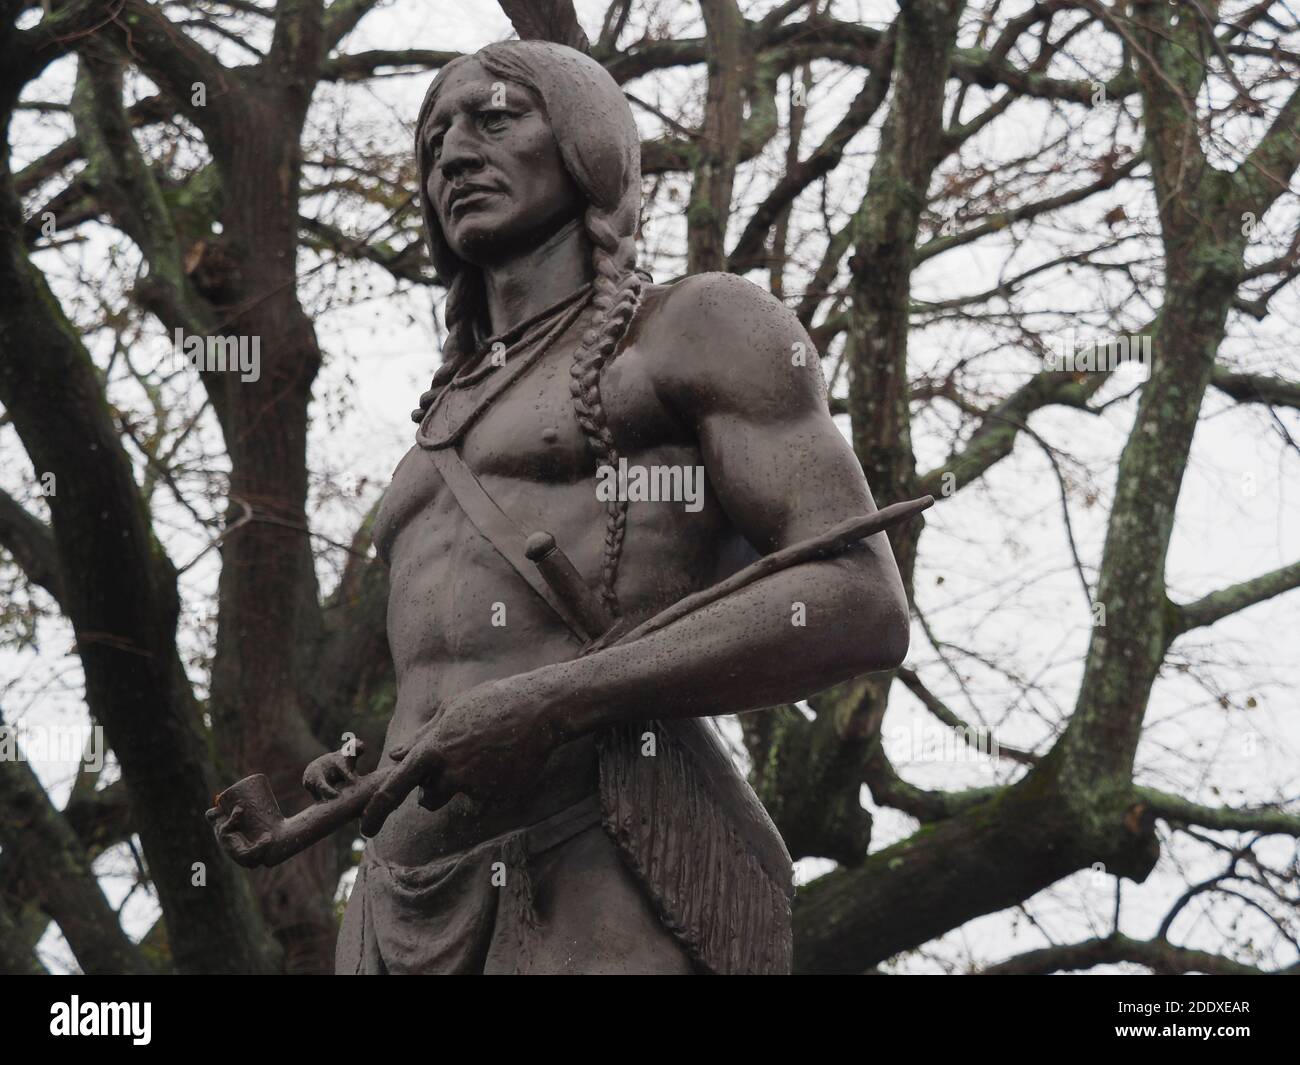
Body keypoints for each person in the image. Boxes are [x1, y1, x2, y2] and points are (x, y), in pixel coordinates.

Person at [311, 40, 909, 975]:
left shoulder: (698, 327)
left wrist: (554, 702)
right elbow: (459, 671)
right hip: (390, 909)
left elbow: (857, 599)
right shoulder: (435, 424)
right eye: (434, 143)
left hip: (592, 868)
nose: (454, 156)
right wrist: (371, 764)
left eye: (495, 119)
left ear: (590, 147)